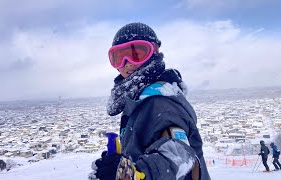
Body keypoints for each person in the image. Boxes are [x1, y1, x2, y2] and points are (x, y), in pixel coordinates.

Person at [88, 22, 210, 180]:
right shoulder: (140, 99)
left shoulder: (161, 102)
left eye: (137, 53)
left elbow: (180, 155)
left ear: (154, 52)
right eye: (119, 57)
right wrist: (123, 159)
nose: (128, 62)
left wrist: (131, 173)